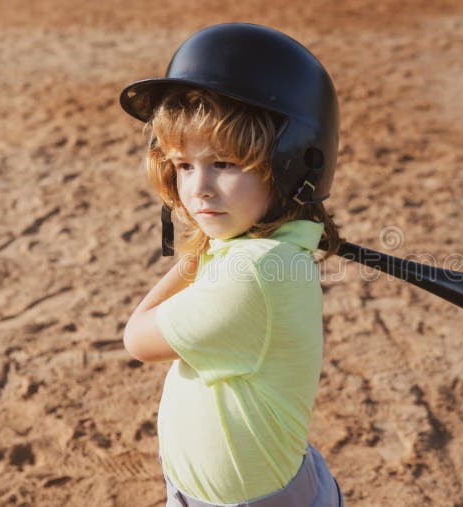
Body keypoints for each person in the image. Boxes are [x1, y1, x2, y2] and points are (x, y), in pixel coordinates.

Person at [119, 23, 346, 507]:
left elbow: (136, 337)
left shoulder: (252, 274)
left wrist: (191, 255)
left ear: (288, 166)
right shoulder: (269, 248)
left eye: (223, 163)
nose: (198, 188)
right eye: (183, 165)